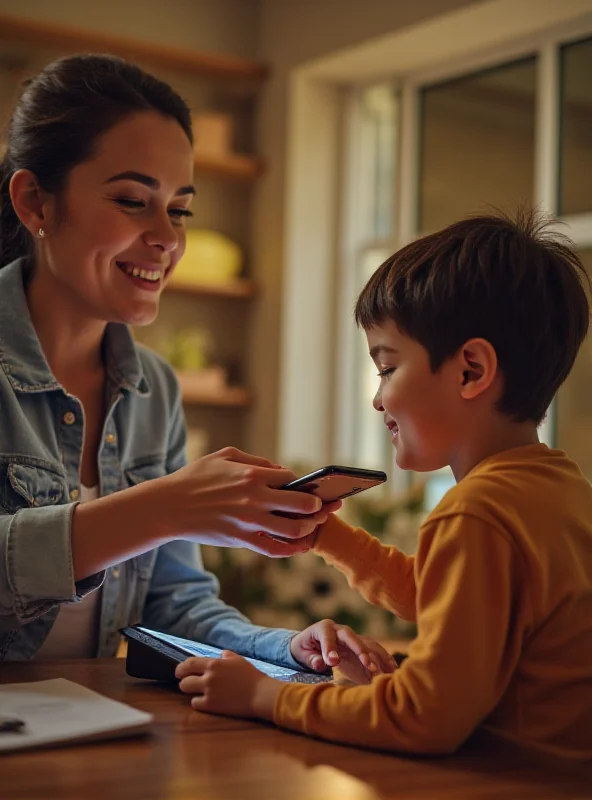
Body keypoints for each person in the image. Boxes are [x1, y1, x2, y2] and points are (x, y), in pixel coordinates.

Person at [0, 53, 395, 681]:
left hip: (85, 739)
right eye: (133, 200)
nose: (169, 238)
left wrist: (283, 647)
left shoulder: (152, 388)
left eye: (179, 209)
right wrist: (165, 508)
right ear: (35, 204)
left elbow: (175, 603)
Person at [176, 210, 592, 761]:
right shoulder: (561, 491)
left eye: (387, 368)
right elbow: (439, 595)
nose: (378, 400)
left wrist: (265, 696)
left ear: (471, 370)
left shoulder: (477, 512)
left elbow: (424, 717)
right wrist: (327, 535)